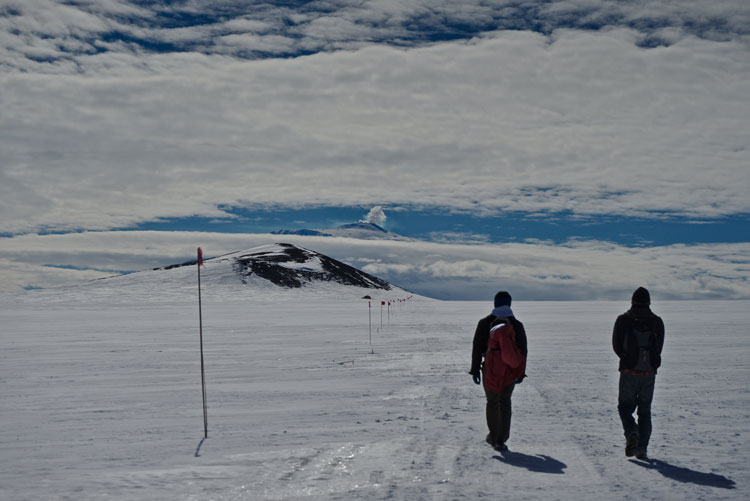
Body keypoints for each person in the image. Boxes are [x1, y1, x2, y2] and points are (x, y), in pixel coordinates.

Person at [469, 291, 527, 451]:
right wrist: (521, 372)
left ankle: (494, 437)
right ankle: (502, 438)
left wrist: (474, 370)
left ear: (495, 304)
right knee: (505, 401)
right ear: (509, 304)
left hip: (490, 371)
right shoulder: (517, 325)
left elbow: (477, 348)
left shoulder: (484, 323)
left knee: (493, 402)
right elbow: (523, 351)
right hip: (510, 371)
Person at [612, 287, 665, 460]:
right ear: (649, 302)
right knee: (645, 411)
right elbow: (659, 348)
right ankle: (642, 448)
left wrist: (627, 359)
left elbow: (616, 345)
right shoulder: (657, 321)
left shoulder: (623, 320)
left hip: (628, 371)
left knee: (624, 407)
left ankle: (631, 432)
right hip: (648, 373)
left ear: (632, 301)